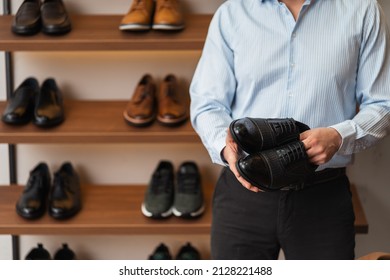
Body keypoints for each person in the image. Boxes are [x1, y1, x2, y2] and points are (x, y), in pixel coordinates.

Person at [190, 0, 390, 260]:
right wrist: (227, 148)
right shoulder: (231, 14)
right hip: (243, 194)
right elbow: (207, 103)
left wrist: (340, 136)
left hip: (323, 196)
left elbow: (383, 103)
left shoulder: (362, 10)